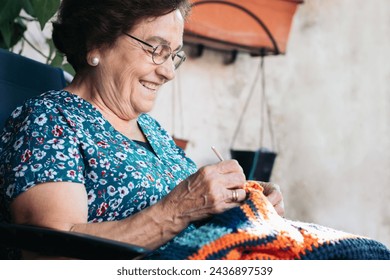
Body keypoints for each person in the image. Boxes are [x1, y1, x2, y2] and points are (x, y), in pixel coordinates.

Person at [0, 0, 284, 259]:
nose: (169, 72)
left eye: (173, 55)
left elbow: (196, 208)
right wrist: (179, 209)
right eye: (156, 49)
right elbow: (50, 254)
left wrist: (242, 200)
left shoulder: (152, 129)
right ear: (97, 43)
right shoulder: (50, 119)